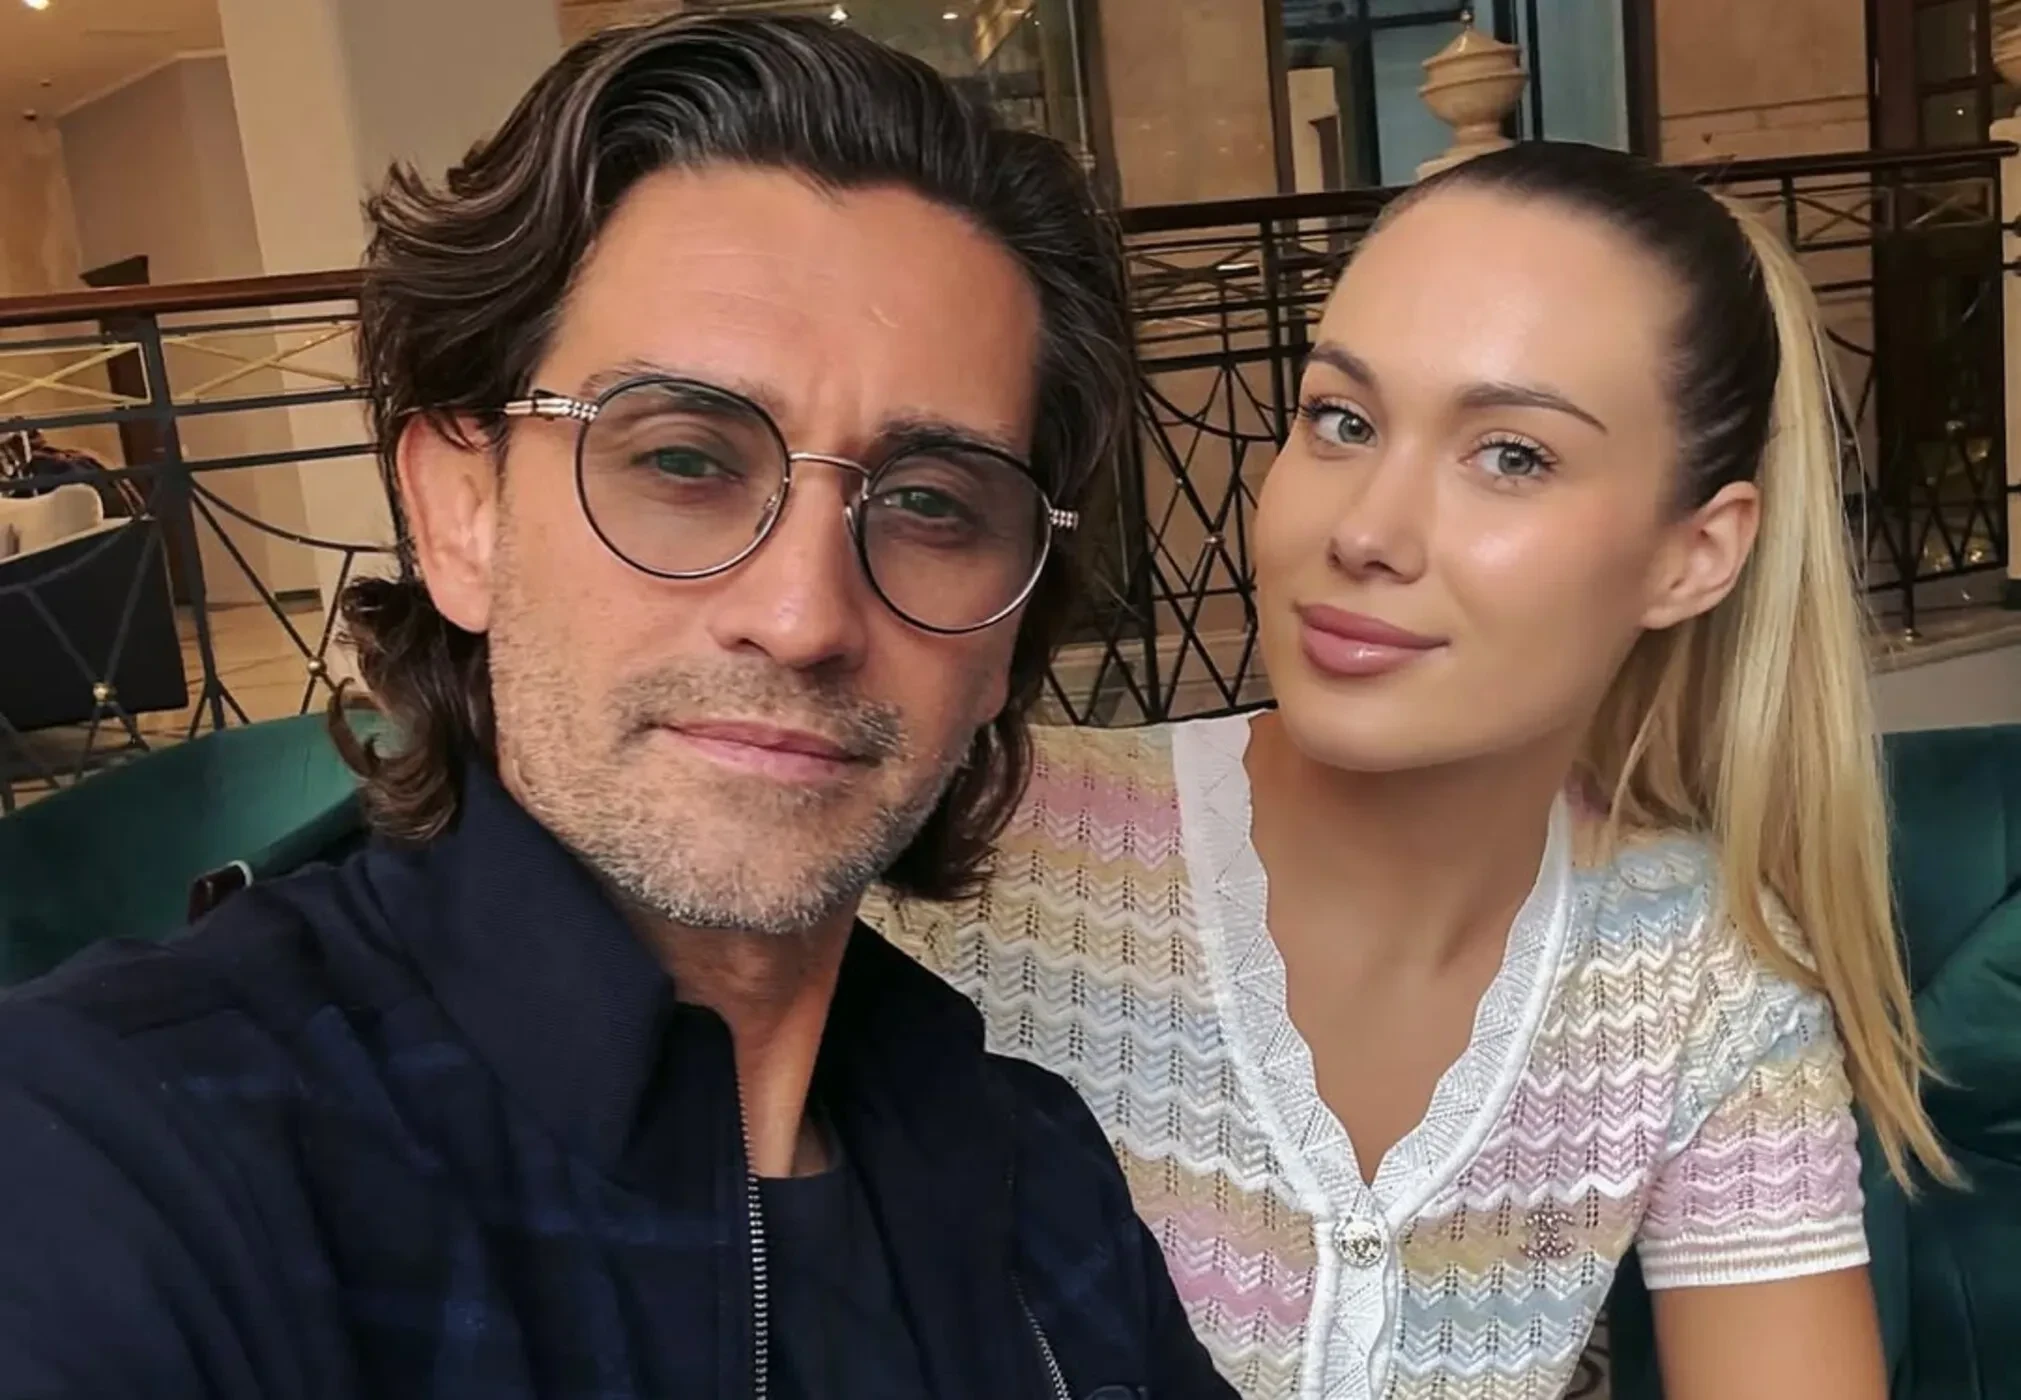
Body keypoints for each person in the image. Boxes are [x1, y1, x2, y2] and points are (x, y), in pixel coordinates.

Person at [0, 16, 1234, 1400]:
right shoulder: (113, 1160)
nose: (804, 615)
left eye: (933, 502)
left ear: (1008, 633)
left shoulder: (1028, 1175)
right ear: (459, 513)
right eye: (685, 460)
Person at [869, 141, 1954, 1400]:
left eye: (1511, 455)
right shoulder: (971, 843)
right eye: (1340, 420)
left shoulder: (1698, 973)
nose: (1365, 531)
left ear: (1693, 555)